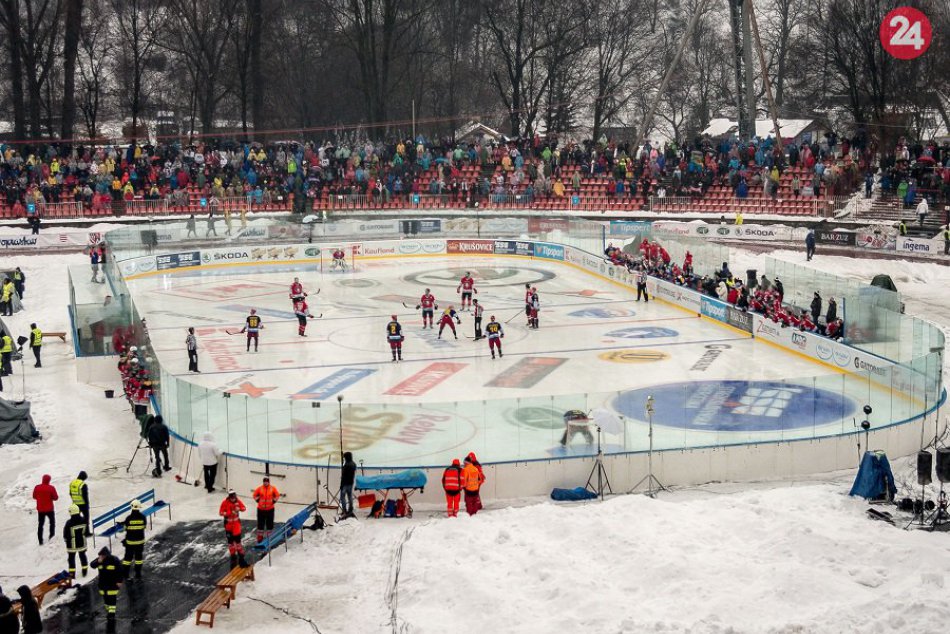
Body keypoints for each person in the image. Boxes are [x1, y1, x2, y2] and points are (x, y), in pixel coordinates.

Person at [90, 546, 123, 631]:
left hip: (112, 584)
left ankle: (111, 614)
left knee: (112, 599)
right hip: (103, 584)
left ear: (106, 555)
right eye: (100, 556)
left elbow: (120, 571)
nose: (101, 557)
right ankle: (109, 611)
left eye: (102, 556)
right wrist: (98, 561)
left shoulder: (114, 560)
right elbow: (92, 565)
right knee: (106, 600)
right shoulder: (99, 560)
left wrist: (119, 581)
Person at [219, 490, 249, 568]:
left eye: (234, 498)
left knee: (238, 543)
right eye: (232, 498)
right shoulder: (225, 503)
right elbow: (221, 512)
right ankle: (233, 556)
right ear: (229, 497)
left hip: (236, 526)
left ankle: (241, 558)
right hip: (228, 526)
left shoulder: (238, 501)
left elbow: (244, 508)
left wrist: (239, 509)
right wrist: (229, 512)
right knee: (230, 543)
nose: (233, 499)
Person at [121, 500, 147, 580]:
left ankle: (126, 574)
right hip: (140, 542)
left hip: (130, 542)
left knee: (127, 559)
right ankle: (138, 573)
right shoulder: (143, 517)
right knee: (138, 558)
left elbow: (124, 529)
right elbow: (144, 526)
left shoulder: (128, 518)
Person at [63, 504, 89, 579]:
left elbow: (66, 534)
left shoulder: (69, 523)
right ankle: (84, 571)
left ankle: (72, 574)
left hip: (72, 545)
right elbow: (86, 532)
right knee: (83, 556)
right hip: (82, 543)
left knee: (71, 559)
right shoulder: (84, 520)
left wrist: (66, 540)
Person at [253, 477, 281, 543]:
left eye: (267, 481)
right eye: (264, 481)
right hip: (261, 510)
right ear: (263, 482)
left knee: (270, 524)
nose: (265, 483)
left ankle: (270, 537)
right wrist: (258, 500)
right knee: (260, 524)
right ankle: (260, 538)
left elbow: (277, 495)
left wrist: (274, 501)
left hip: (270, 510)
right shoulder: (260, 488)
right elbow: (254, 495)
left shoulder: (272, 488)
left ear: (269, 482)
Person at [32, 474, 58, 545]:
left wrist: (40, 498)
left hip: (40, 510)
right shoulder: (51, 488)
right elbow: (56, 498)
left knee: (40, 525)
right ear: (49, 480)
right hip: (50, 509)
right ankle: (51, 536)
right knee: (52, 523)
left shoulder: (37, 487)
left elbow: (34, 496)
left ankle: (40, 540)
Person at [340, 451, 356, 518]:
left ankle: (344, 510)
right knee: (350, 496)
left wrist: (341, 485)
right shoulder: (353, 464)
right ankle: (350, 509)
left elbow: (343, 476)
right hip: (350, 483)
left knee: (342, 497)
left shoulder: (346, 465)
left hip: (345, 484)